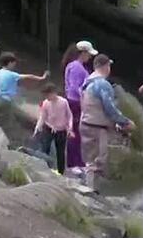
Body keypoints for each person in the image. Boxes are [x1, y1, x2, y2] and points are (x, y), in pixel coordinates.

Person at [80, 55, 135, 191]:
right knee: (99, 161)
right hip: (97, 127)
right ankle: (91, 193)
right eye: (109, 66)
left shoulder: (87, 82)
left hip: (86, 124)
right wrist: (125, 122)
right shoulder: (103, 84)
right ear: (105, 67)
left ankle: (89, 188)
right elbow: (110, 108)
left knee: (90, 160)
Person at [0, 52, 48, 135]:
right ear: (9, 63)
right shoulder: (13, 75)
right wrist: (42, 77)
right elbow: (29, 76)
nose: (14, 64)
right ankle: (4, 145)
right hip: (6, 102)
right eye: (13, 63)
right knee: (6, 126)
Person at [63, 41, 98, 173]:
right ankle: (73, 164)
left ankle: (79, 162)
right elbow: (75, 87)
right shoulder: (77, 67)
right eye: (88, 54)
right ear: (82, 53)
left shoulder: (75, 66)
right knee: (75, 133)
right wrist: (84, 101)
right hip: (75, 102)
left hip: (75, 101)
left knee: (78, 133)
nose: (89, 57)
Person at [34, 83, 74, 174]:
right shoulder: (46, 103)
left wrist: (70, 128)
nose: (47, 97)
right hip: (49, 128)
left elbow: (69, 116)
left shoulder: (63, 102)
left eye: (48, 94)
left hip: (61, 130)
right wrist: (37, 127)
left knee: (60, 152)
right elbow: (42, 117)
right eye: (45, 95)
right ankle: (45, 170)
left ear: (54, 93)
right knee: (45, 149)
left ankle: (60, 172)